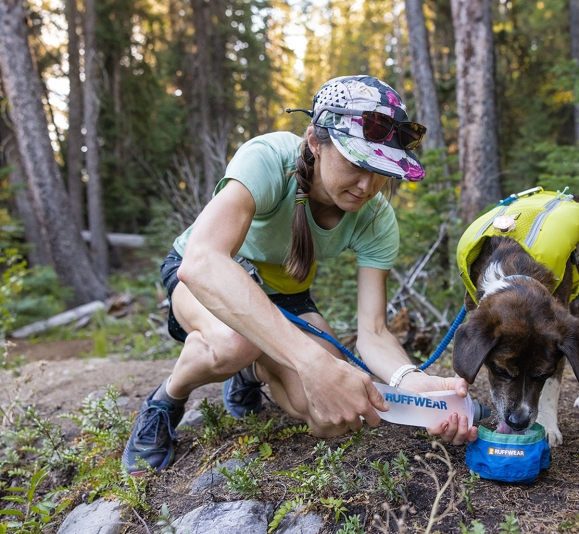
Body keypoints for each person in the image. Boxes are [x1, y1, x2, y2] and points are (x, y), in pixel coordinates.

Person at [122, 75, 478, 474]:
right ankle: (166, 400)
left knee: (328, 414)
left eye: (380, 170)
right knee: (235, 341)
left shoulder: (377, 218)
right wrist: (310, 361)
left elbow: (373, 332)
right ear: (314, 141)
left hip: (287, 297)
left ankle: (253, 368)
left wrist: (409, 380)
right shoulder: (268, 158)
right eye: (356, 163)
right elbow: (203, 262)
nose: (367, 185)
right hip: (202, 279)